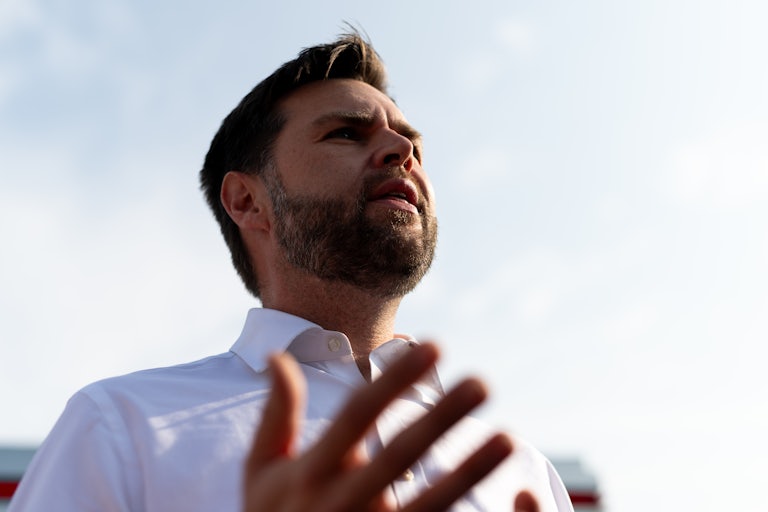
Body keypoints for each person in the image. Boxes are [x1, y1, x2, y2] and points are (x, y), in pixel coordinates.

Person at [9, 31, 573, 512]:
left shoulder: (527, 474)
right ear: (248, 201)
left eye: (413, 144)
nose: (402, 149)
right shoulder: (120, 428)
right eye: (346, 133)